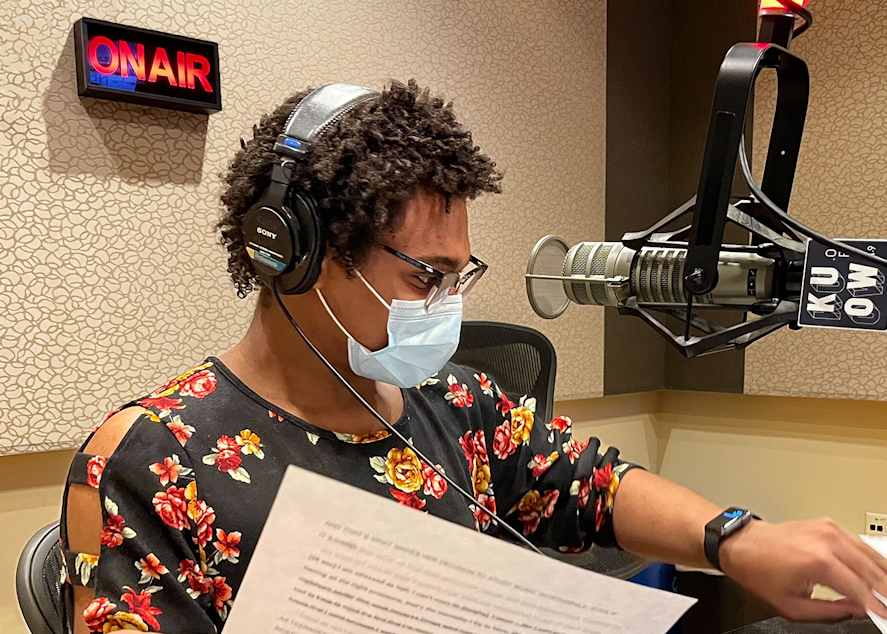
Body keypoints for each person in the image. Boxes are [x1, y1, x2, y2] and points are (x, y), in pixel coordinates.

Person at [61, 79, 887, 634]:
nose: (447, 307)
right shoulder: (152, 458)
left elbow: (589, 487)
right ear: (295, 254)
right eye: (426, 276)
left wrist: (734, 539)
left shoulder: (456, 403)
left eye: (460, 277)